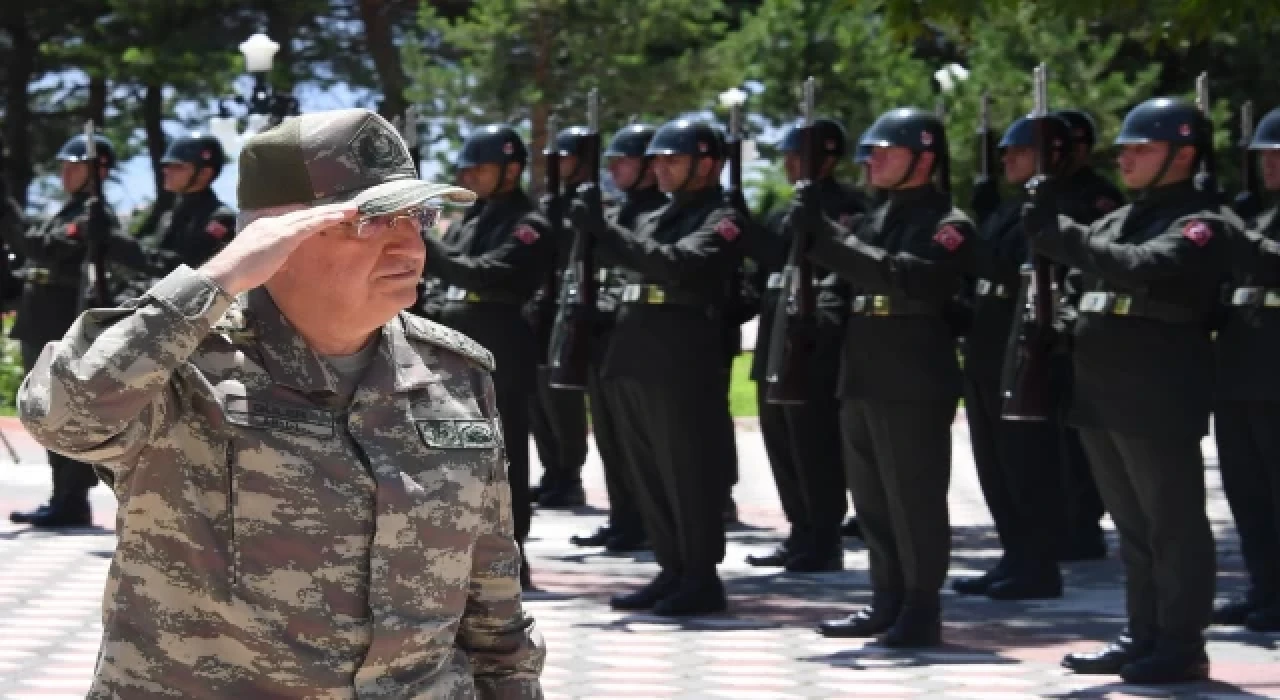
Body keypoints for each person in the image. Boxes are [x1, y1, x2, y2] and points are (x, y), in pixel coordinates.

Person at [17, 107, 545, 697]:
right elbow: (61, 418)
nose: (409, 244)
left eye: (417, 216)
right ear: (274, 236)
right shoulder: (184, 363)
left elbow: (493, 596)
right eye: (371, 221)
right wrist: (214, 280)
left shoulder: (455, 373)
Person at [1024, 97, 1233, 684]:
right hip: (1100, 388)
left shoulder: (1200, 222)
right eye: (1125, 148)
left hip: (1157, 391)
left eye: (1144, 148)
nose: (1128, 158)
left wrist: (1061, 232)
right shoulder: (1120, 217)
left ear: (1185, 154)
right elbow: (1085, 279)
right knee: (1133, 528)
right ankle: (1142, 633)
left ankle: (1181, 642)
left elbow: (1140, 266)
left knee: (1173, 526)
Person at [804, 108, 973, 647]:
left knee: (914, 499)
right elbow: (845, 281)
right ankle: (887, 599)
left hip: (913, 375)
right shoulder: (877, 218)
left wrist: (829, 238)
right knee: (873, 500)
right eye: (869, 151)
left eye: (885, 151)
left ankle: (922, 610)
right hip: (864, 369)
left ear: (924, 158)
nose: (870, 159)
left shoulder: (949, 226)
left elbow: (906, 278)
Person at [570, 118, 742, 616]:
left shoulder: (722, 218)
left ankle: (700, 576)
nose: (660, 169)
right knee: (649, 472)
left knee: (687, 471)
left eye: (673, 160)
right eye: (657, 161)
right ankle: (672, 568)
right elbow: (623, 267)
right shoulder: (652, 217)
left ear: (707, 164)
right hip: (634, 354)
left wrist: (605, 229)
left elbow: (677, 266)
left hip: (681, 358)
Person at [419, 124, 554, 590]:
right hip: (457, 345)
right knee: (455, 451)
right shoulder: (473, 220)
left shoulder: (528, 227)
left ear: (512, 170)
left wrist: (427, 243)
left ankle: (512, 557)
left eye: (480, 167)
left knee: (503, 455)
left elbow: (486, 276)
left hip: (499, 345)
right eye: (465, 168)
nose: (468, 175)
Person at [954, 114, 1079, 602]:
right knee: (995, 466)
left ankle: (1038, 565)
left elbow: (1021, 274)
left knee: (1028, 465)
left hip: (1026, 353)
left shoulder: (1056, 210)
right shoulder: (1010, 209)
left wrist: (973, 245)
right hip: (988, 348)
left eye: (1019, 151)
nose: (1007, 158)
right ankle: (1015, 555)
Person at [744, 117, 865, 573]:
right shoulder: (781, 213)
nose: (792, 165)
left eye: (801, 157)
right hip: (776, 337)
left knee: (815, 444)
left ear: (829, 160)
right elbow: (767, 271)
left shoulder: (848, 208)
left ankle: (824, 534)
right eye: (788, 157)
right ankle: (799, 528)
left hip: (816, 343)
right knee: (780, 441)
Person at [4, 131, 120, 528]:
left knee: (63, 412)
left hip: (62, 321)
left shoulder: (93, 216)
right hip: (41, 318)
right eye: (64, 166)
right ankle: (63, 495)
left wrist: (6, 207)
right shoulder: (68, 211)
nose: (64, 173)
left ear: (97, 170)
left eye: (73, 165)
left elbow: (45, 248)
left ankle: (72, 498)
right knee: (45, 412)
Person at [569, 123, 665, 552]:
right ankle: (624, 516)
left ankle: (647, 520)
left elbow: (636, 266)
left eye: (623, 160)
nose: (614, 167)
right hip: (605, 338)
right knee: (610, 439)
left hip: (638, 341)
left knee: (640, 446)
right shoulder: (617, 212)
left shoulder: (656, 214)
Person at [1213, 104, 1280, 633]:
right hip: (1239, 368)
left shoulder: (1251, 224)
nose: (1270, 165)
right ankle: (1264, 587)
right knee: (1248, 491)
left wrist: (1233, 229)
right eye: (1264, 157)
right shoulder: (1256, 212)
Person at [1051, 107, 1125, 561]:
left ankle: (1083, 523)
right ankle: (1059, 517)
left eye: (1077, 145)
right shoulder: (1042, 193)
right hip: (1044, 323)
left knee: (1081, 435)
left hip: (1081, 318)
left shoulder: (1098, 197)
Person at [528, 125, 591, 510]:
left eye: (568, 157)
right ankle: (552, 472)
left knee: (562, 401)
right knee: (539, 402)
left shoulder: (592, 205)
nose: (562, 165)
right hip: (543, 309)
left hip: (568, 311)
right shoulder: (552, 203)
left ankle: (569, 476)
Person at [104, 132, 237, 302]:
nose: (166, 170)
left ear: (204, 173)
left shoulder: (219, 219)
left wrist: (118, 242)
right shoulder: (170, 215)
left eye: (178, 166)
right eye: (167, 165)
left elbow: (182, 267)